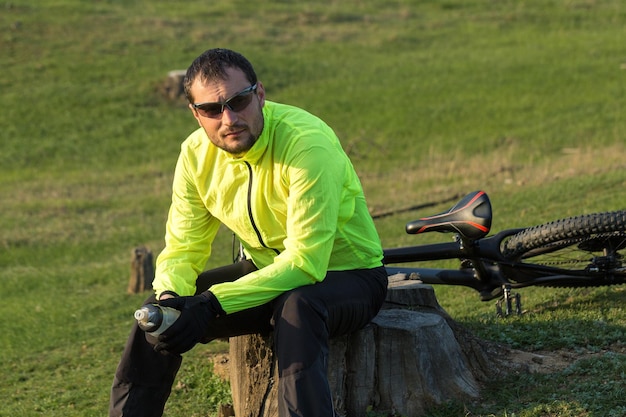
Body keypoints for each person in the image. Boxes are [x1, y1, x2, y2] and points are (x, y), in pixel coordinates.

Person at [109, 48, 388, 417]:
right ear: (196, 114)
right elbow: (183, 246)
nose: (228, 118)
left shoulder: (307, 145)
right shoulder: (195, 155)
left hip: (349, 276)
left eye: (238, 101)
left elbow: (306, 264)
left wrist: (211, 304)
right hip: (266, 270)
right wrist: (171, 296)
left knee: (298, 307)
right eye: (211, 109)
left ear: (259, 95)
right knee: (156, 318)